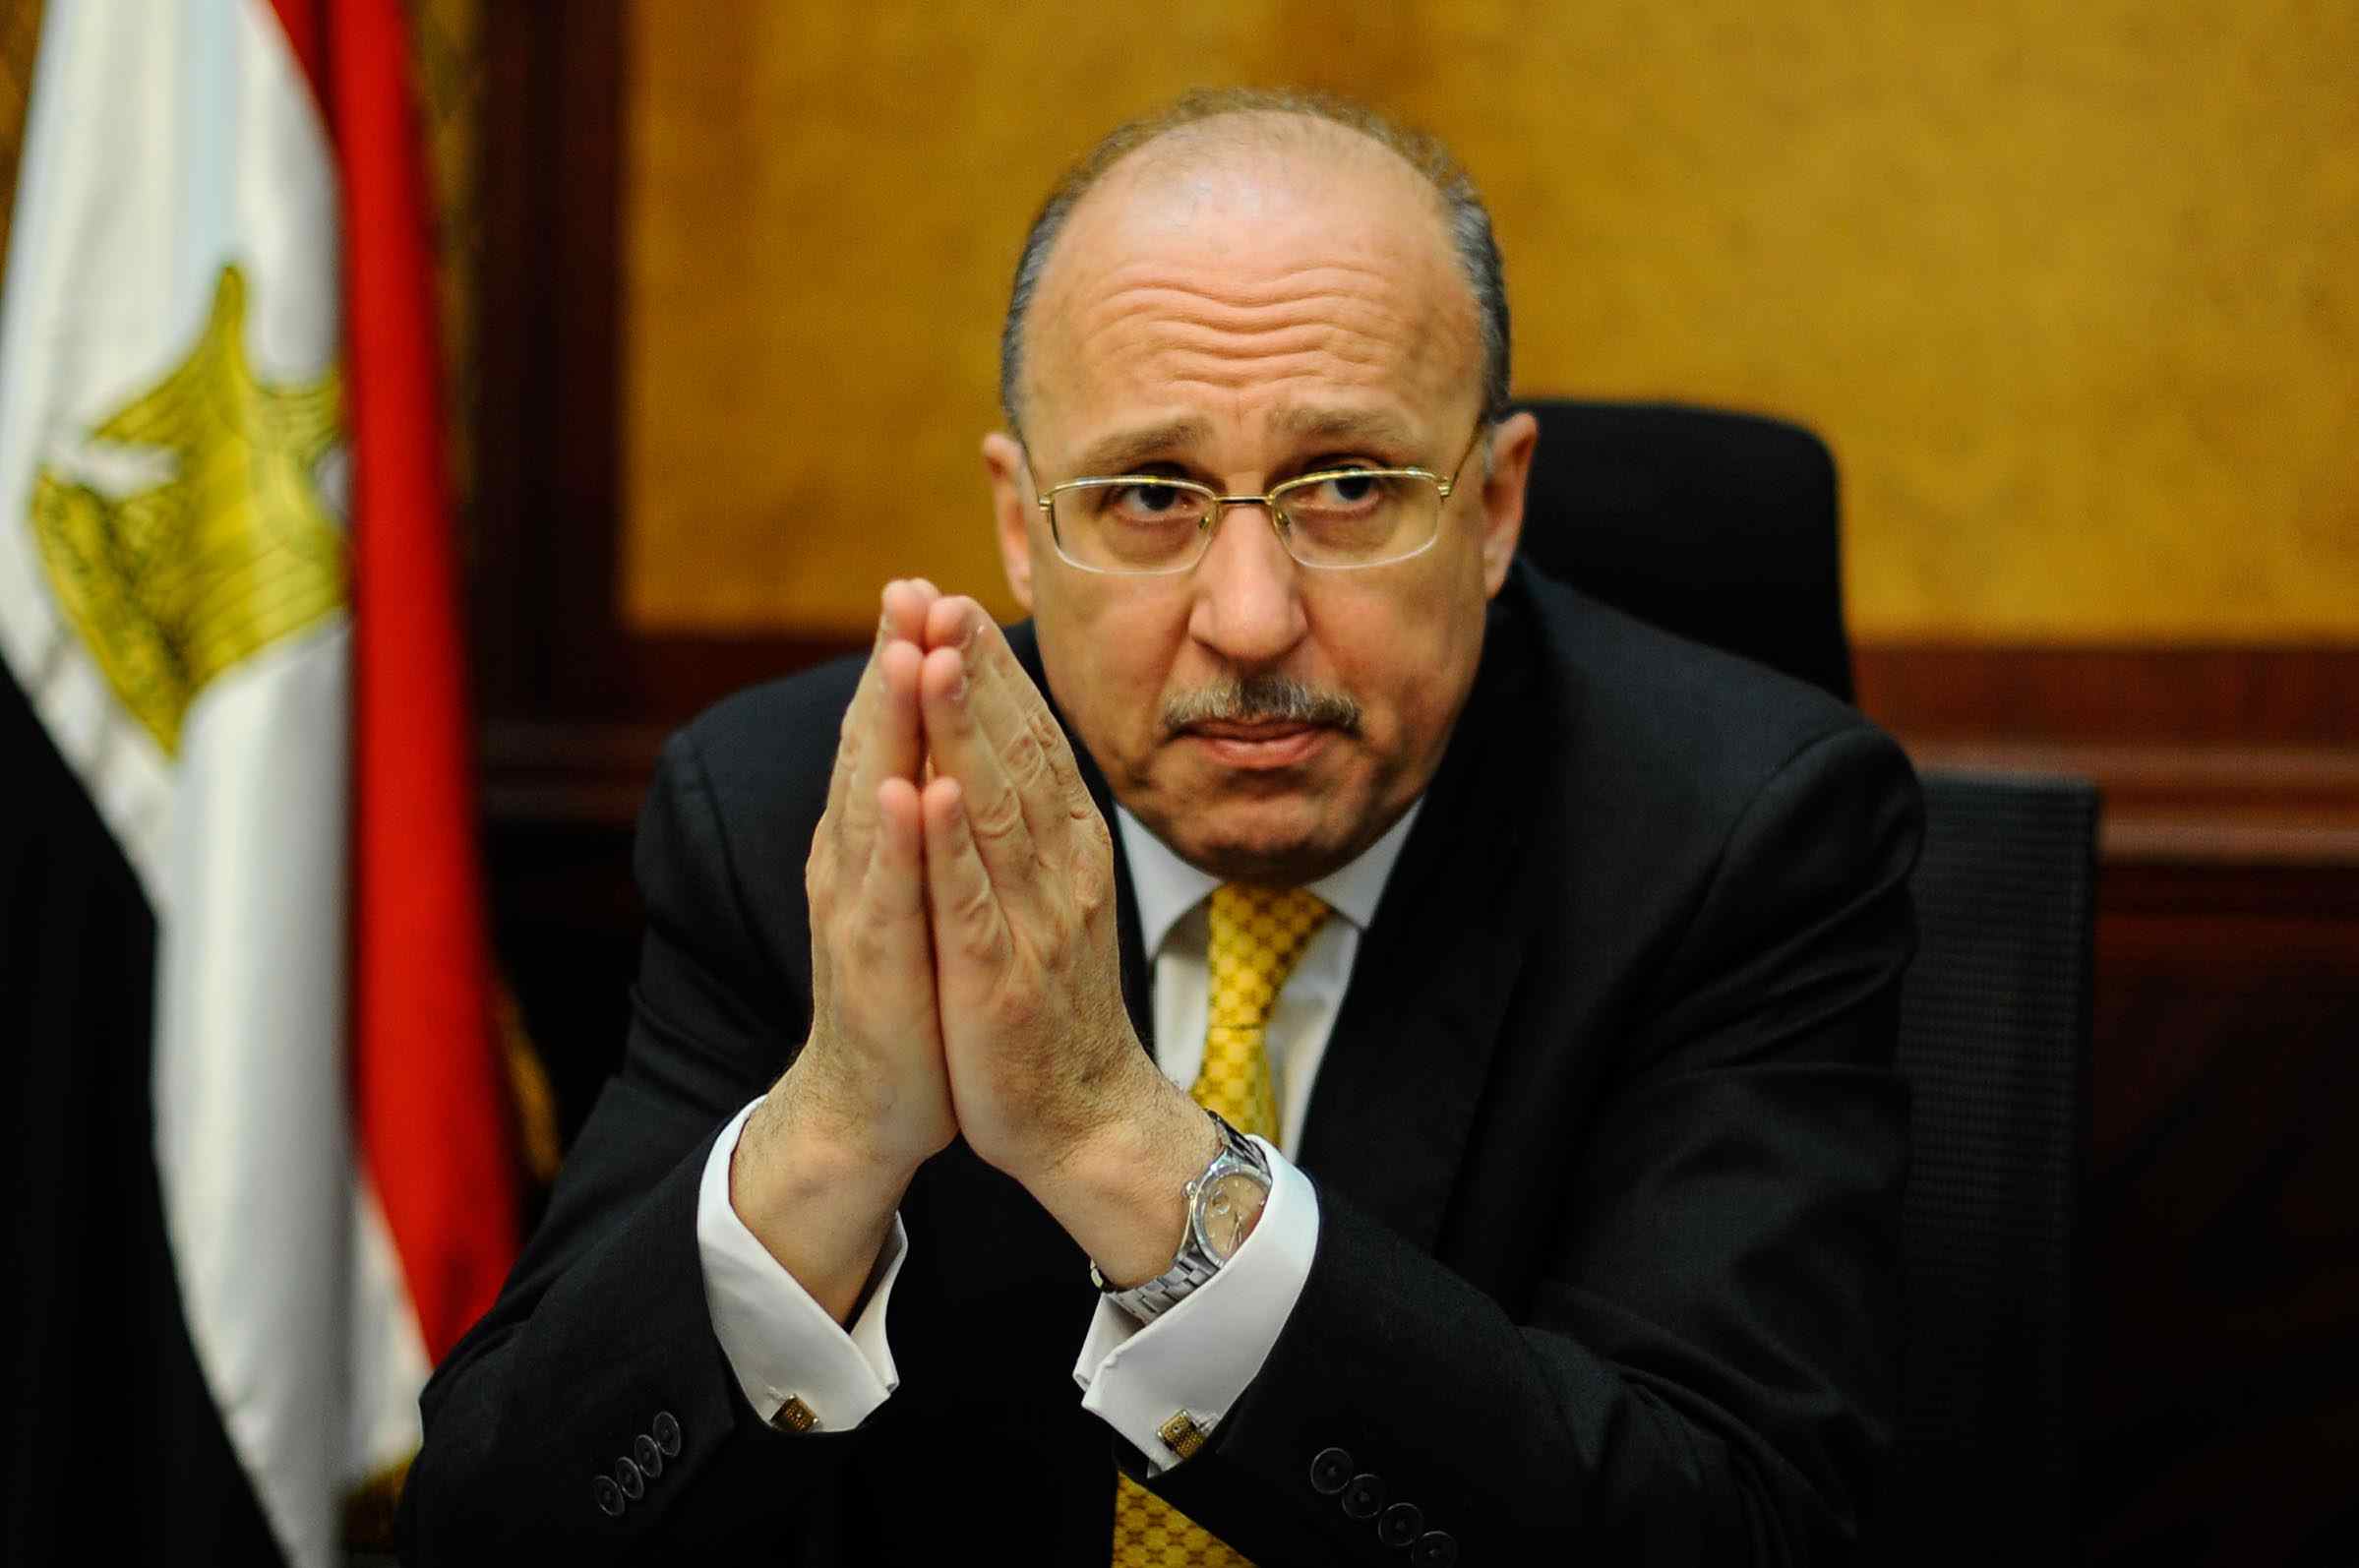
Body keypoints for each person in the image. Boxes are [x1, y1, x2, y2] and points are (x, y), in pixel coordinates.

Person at [398, 89, 1920, 1566]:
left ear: (1495, 505)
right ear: (1021, 525)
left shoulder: (1735, 837)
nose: (1248, 619)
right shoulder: (801, 816)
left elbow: (1724, 1521)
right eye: (1146, 494)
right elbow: (490, 1528)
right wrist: (835, 1128)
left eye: (1348, 485)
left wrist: (1113, 1139)